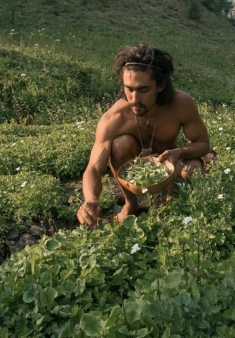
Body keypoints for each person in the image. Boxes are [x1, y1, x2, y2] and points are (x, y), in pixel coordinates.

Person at [77, 43, 211, 227]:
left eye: (143, 90)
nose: (134, 98)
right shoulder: (115, 117)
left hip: (171, 160)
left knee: (193, 172)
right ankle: (131, 204)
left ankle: (175, 199)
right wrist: (90, 200)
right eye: (129, 89)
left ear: (161, 85)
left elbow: (203, 143)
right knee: (119, 145)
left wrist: (179, 152)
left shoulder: (181, 105)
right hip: (138, 165)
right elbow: (93, 167)